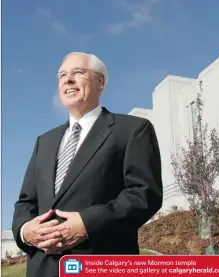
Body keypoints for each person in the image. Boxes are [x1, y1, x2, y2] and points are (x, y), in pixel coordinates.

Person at [12, 52, 163, 277]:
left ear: (100, 82)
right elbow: (26, 202)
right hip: (42, 269)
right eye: (62, 75)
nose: (67, 79)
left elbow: (144, 194)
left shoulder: (133, 130)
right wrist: (26, 231)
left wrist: (87, 223)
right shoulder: (44, 142)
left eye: (78, 72)